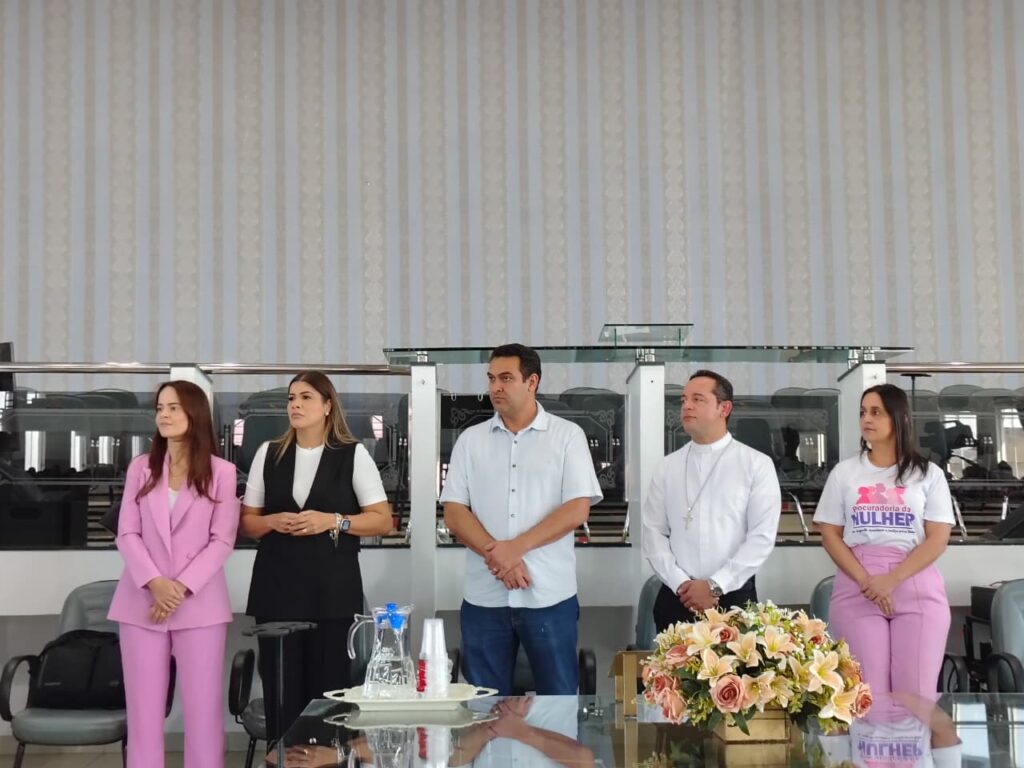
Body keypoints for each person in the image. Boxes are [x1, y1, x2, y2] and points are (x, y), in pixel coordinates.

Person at [441, 343, 603, 695]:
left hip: (549, 596)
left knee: (558, 703)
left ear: (532, 382)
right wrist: (499, 557)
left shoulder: (567, 436)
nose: (495, 387)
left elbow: (577, 508)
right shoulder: (471, 441)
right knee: (484, 707)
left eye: (506, 378)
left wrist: (516, 549)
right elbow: (454, 512)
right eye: (491, 379)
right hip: (485, 598)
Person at [240, 371, 393, 742]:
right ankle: (283, 761)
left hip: (332, 594)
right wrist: (271, 521)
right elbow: (248, 523)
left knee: (329, 699)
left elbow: (382, 520)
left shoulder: (352, 455)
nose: (295, 404)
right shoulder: (268, 453)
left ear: (327, 406)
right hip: (277, 593)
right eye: (291, 398)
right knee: (281, 695)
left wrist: (334, 521)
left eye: (305, 397)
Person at [108, 381, 239, 768]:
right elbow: (127, 533)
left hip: (199, 605)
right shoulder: (141, 468)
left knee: (203, 712)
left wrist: (177, 588)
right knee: (143, 714)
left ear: (194, 414)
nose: (163, 415)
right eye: (159, 408)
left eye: (173, 408)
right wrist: (155, 583)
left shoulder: (222, 472)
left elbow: (222, 541)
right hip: (141, 602)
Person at [813, 383, 954, 700]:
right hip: (858, 583)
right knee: (865, 694)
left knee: (916, 693)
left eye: (876, 412)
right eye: (863, 412)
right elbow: (830, 534)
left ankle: (914, 737)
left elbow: (937, 538)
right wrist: (867, 581)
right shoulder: (845, 473)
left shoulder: (928, 474)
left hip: (914, 581)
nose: (867, 419)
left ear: (899, 418)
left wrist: (892, 579)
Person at [642, 370, 782, 633]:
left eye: (698, 399)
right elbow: (653, 531)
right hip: (677, 596)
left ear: (724, 408)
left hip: (733, 597)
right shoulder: (668, 467)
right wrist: (681, 583)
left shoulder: (755, 464)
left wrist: (715, 585)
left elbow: (761, 537)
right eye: (684, 400)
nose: (687, 406)